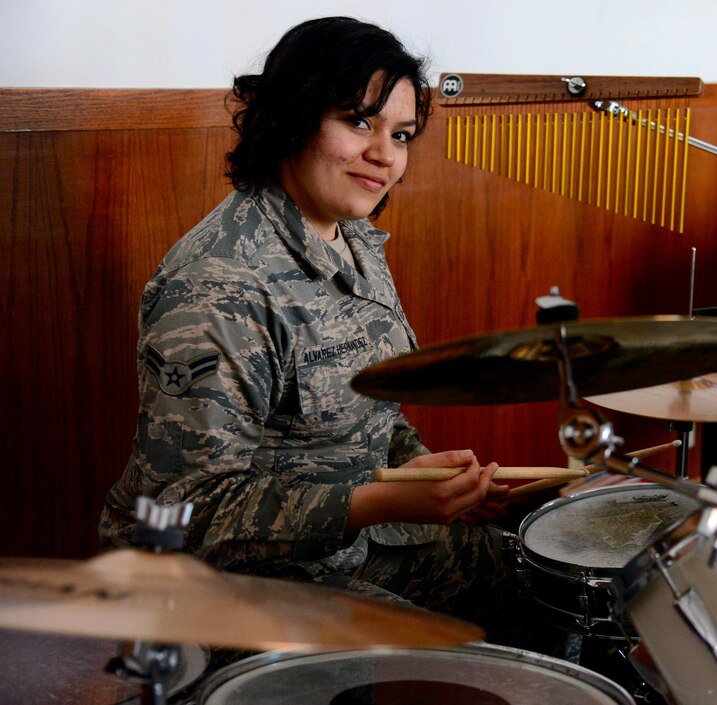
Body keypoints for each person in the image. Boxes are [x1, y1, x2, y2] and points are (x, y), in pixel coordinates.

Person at [99, 16, 520, 635]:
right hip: (230, 583)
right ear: (290, 118)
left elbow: (374, 414)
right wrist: (379, 502)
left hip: (349, 543)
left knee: (529, 584)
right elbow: (185, 516)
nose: (384, 155)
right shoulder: (221, 285)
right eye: (358, 122)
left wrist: (434, 475)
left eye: (401, 135)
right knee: (429, 663)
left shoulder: (351, 237)